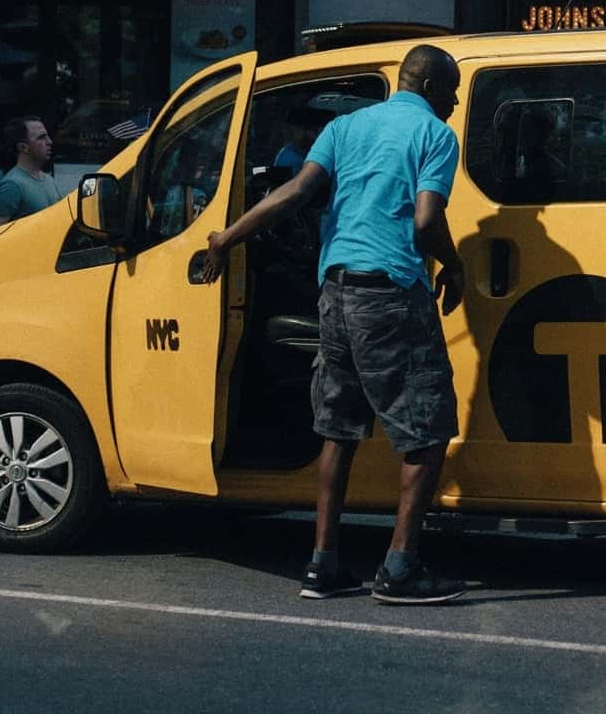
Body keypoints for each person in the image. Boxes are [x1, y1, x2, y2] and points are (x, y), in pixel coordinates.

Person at [200, 45, 467, 605]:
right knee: (428, 430)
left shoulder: (345, 126)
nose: (456, 99)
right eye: (454, 88)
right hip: (390, 291)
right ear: (429, 85)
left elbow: (296, 193)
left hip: (336, 291)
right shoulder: (436, 137)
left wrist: (226, 238)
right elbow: (425, 219)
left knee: (338, 430)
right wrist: (455, 264)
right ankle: (399, 569)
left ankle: (322, 564)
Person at [0, 115, 61, 228]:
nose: (49, 142)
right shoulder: (12, 185)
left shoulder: (49, 180)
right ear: (23, 147)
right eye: (41, 137)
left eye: (47, 136)